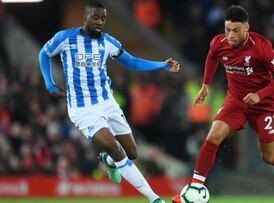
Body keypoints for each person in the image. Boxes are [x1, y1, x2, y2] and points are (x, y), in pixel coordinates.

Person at [38, 1, 180, 203]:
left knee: (132, 152)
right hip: (82, 109)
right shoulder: (65, 38)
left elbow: (132, 61)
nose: (99, 22)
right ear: (85, 17)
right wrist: (49, 84)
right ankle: (155, 199)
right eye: (95, 17)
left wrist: (161, 66)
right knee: (116, 148)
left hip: (107, 103)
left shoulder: (108, 42)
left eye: (103, 18)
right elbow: (43, 53)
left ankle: (109, 161)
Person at [172, 5, 274, 202]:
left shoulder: (261, 47)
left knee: (268, 157)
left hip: (264, 105)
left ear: (247, 28)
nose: (230, 35)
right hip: (236, 101)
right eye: (227, 29)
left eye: (236, 30)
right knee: (213, 136)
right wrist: (205, 85)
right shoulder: (219, 43)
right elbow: (212, 56)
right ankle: (195, 189)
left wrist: (260, 94)